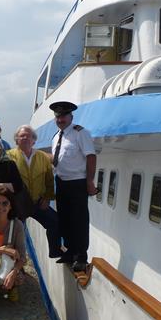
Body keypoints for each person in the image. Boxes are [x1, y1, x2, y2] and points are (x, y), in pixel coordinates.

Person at [50, 101, 97, 272]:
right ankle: (70, 251)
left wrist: (90, 181)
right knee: (64, 218)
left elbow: (91, 157)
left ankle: (81, 257)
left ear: (71, 116)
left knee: (79, 220)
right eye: (58, 116)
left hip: (78, 182)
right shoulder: (56, 136)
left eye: (63, 116)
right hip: (61, 182)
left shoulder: (80, 133)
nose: (60, 119)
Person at [7, 125, 63, 259]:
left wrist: (47, 197)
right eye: (22, 136)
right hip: (18, 204)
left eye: (29, 136)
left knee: (55, 222)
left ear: (34, 140)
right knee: (14, 232)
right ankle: (15, 261)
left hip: (38, 202)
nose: (25, 138)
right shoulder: (8, 156)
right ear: (16, 140)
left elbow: (49, 179)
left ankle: (55, 250)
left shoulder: (42, 157)